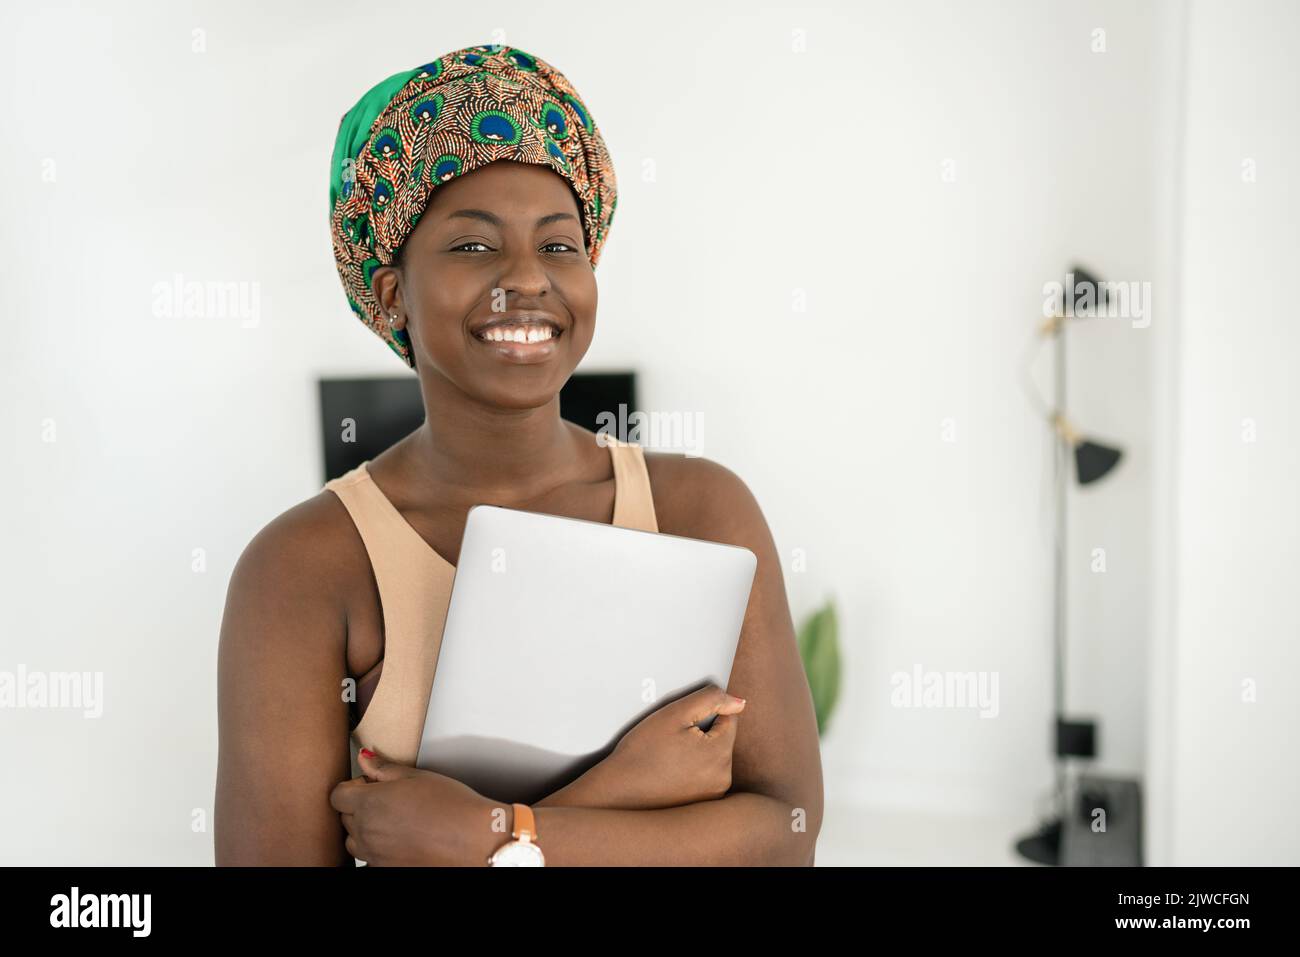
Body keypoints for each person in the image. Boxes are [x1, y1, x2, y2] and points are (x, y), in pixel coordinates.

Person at [214, 43, 823, 866]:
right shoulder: (302, 570)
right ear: (392, 289)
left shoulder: (703, 510)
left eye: (561, 245)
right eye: (472, 247)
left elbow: (785, 836)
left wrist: (487, 835)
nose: (527, 279)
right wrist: (622, 793)